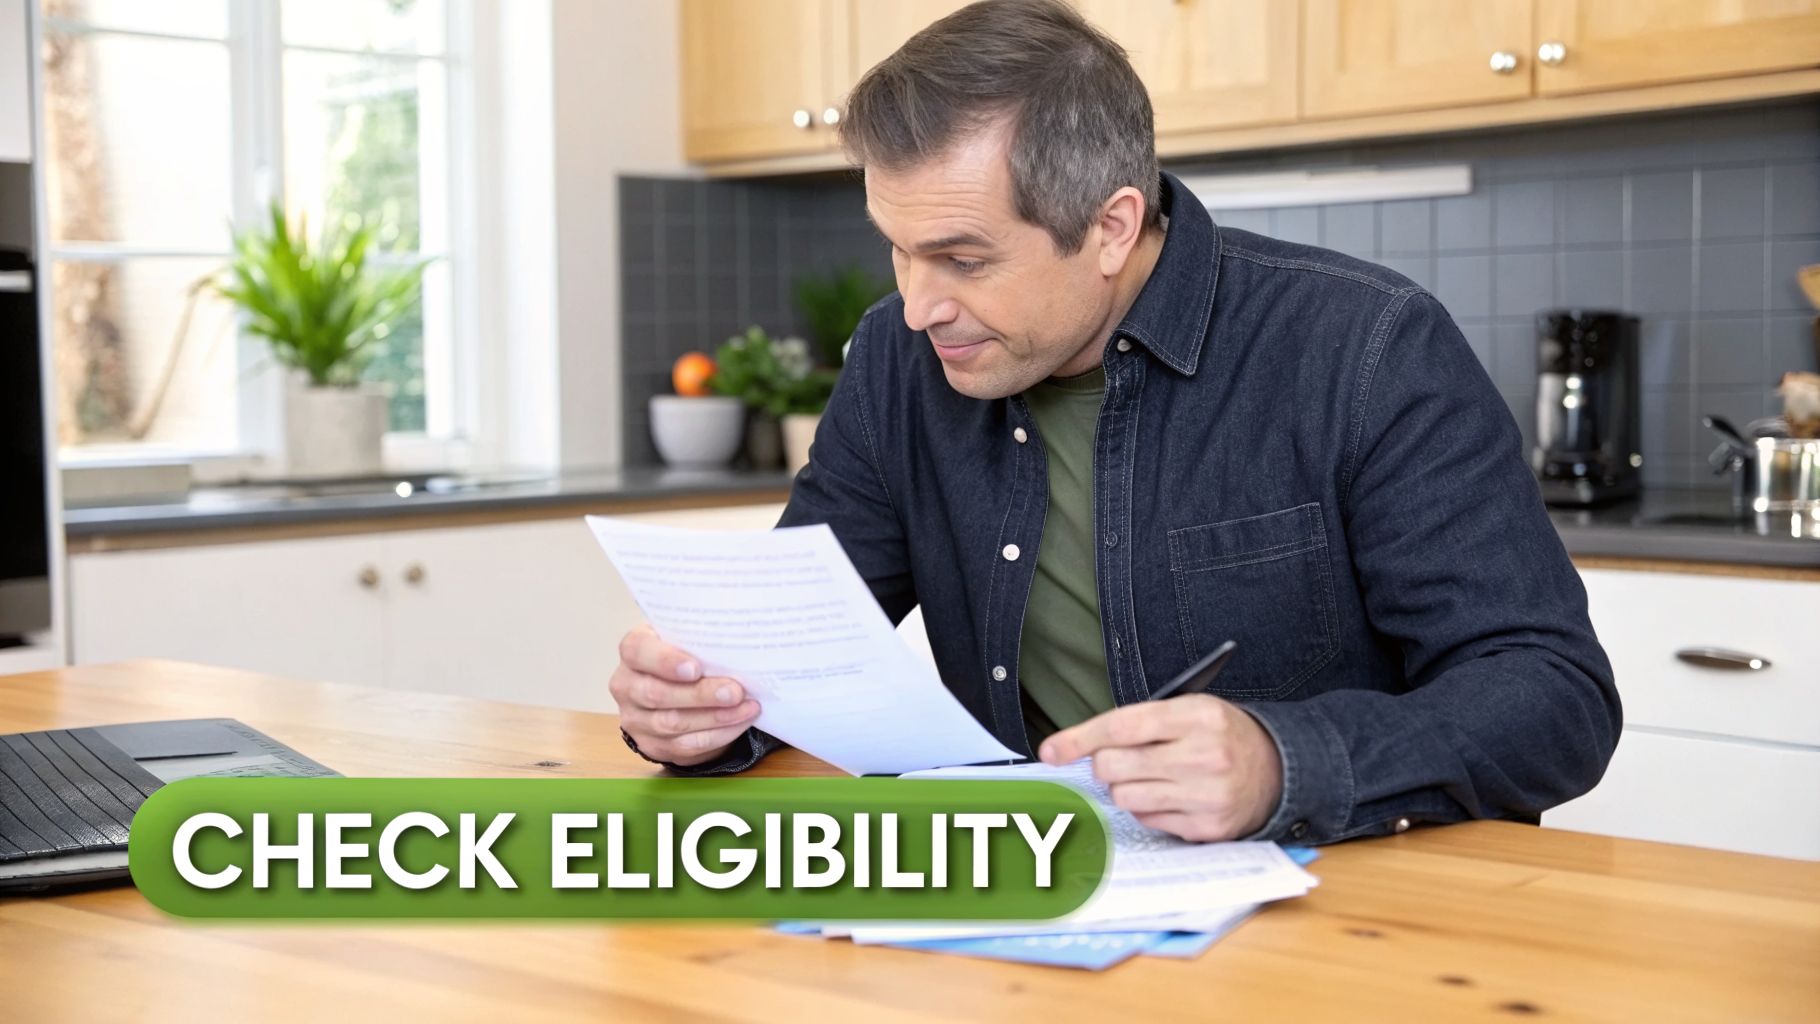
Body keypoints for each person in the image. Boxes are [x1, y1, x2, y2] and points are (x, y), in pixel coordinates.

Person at [610, 0, 1619, 845]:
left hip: (1346, 905)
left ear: (1110, 226)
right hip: (1049, 886)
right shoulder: (894, 360)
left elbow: (1551, 695)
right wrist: (702, 710)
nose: (918, 306)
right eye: (896, 250)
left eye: (961, 259)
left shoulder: (1363, 346)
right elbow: (797, 649)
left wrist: (1283, 763)